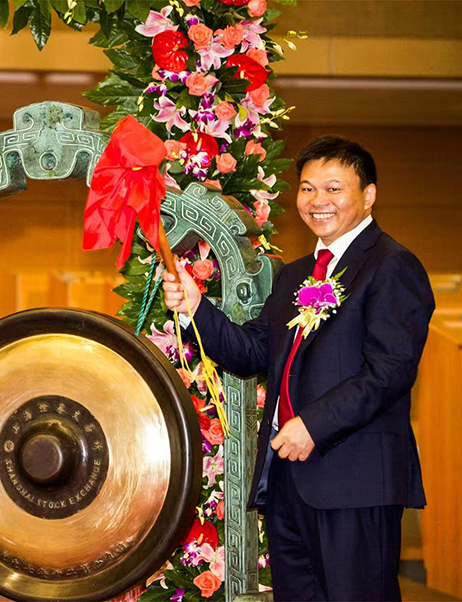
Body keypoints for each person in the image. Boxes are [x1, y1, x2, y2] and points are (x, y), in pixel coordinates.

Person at [162, 136, 435, 601]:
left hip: (354, 480)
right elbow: (253, 352)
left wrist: (313, 424)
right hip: (288, 483)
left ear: (368, 195)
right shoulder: (296, 274)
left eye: (333, 188)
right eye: (307, 189)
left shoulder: (392, 266)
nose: (317, 200)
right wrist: (195, 307)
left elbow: (389, 371)